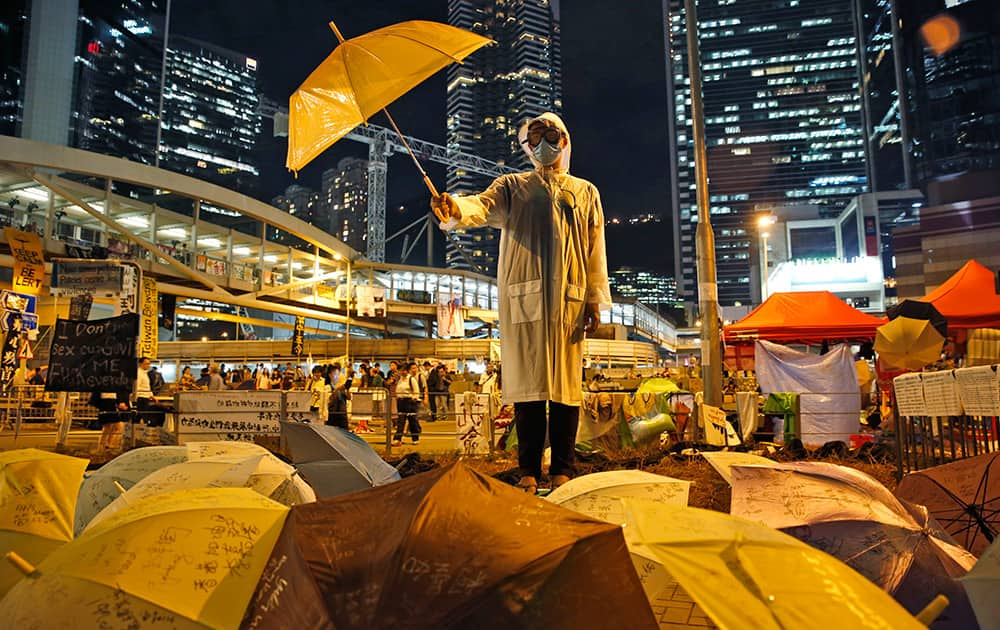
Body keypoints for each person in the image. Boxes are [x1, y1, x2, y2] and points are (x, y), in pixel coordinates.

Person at [431, 112, 610, 493]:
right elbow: (480, 206)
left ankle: (563, 467)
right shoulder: (512, 186)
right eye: (535, 137)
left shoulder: (585, 192)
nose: (543, 143)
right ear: (526, 147)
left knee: (565, 388)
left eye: (550, 135)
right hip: (523, 298)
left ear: (565, 140)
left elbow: (596, 250)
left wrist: (594, 300)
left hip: (569, 301)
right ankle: (528, 469)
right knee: (528, 389)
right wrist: (454, 209)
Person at [393, 361, 423, 446]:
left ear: (407, 370)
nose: (402, 372)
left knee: (412, 421)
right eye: (401, 370)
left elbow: (416, 391)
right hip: (401, 402)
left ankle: (415, 438)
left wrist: (414, 399)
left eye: (404, 370)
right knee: (400, 421)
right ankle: (397, 439)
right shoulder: (400, 379)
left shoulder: (411, 379)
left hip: (410, 402)